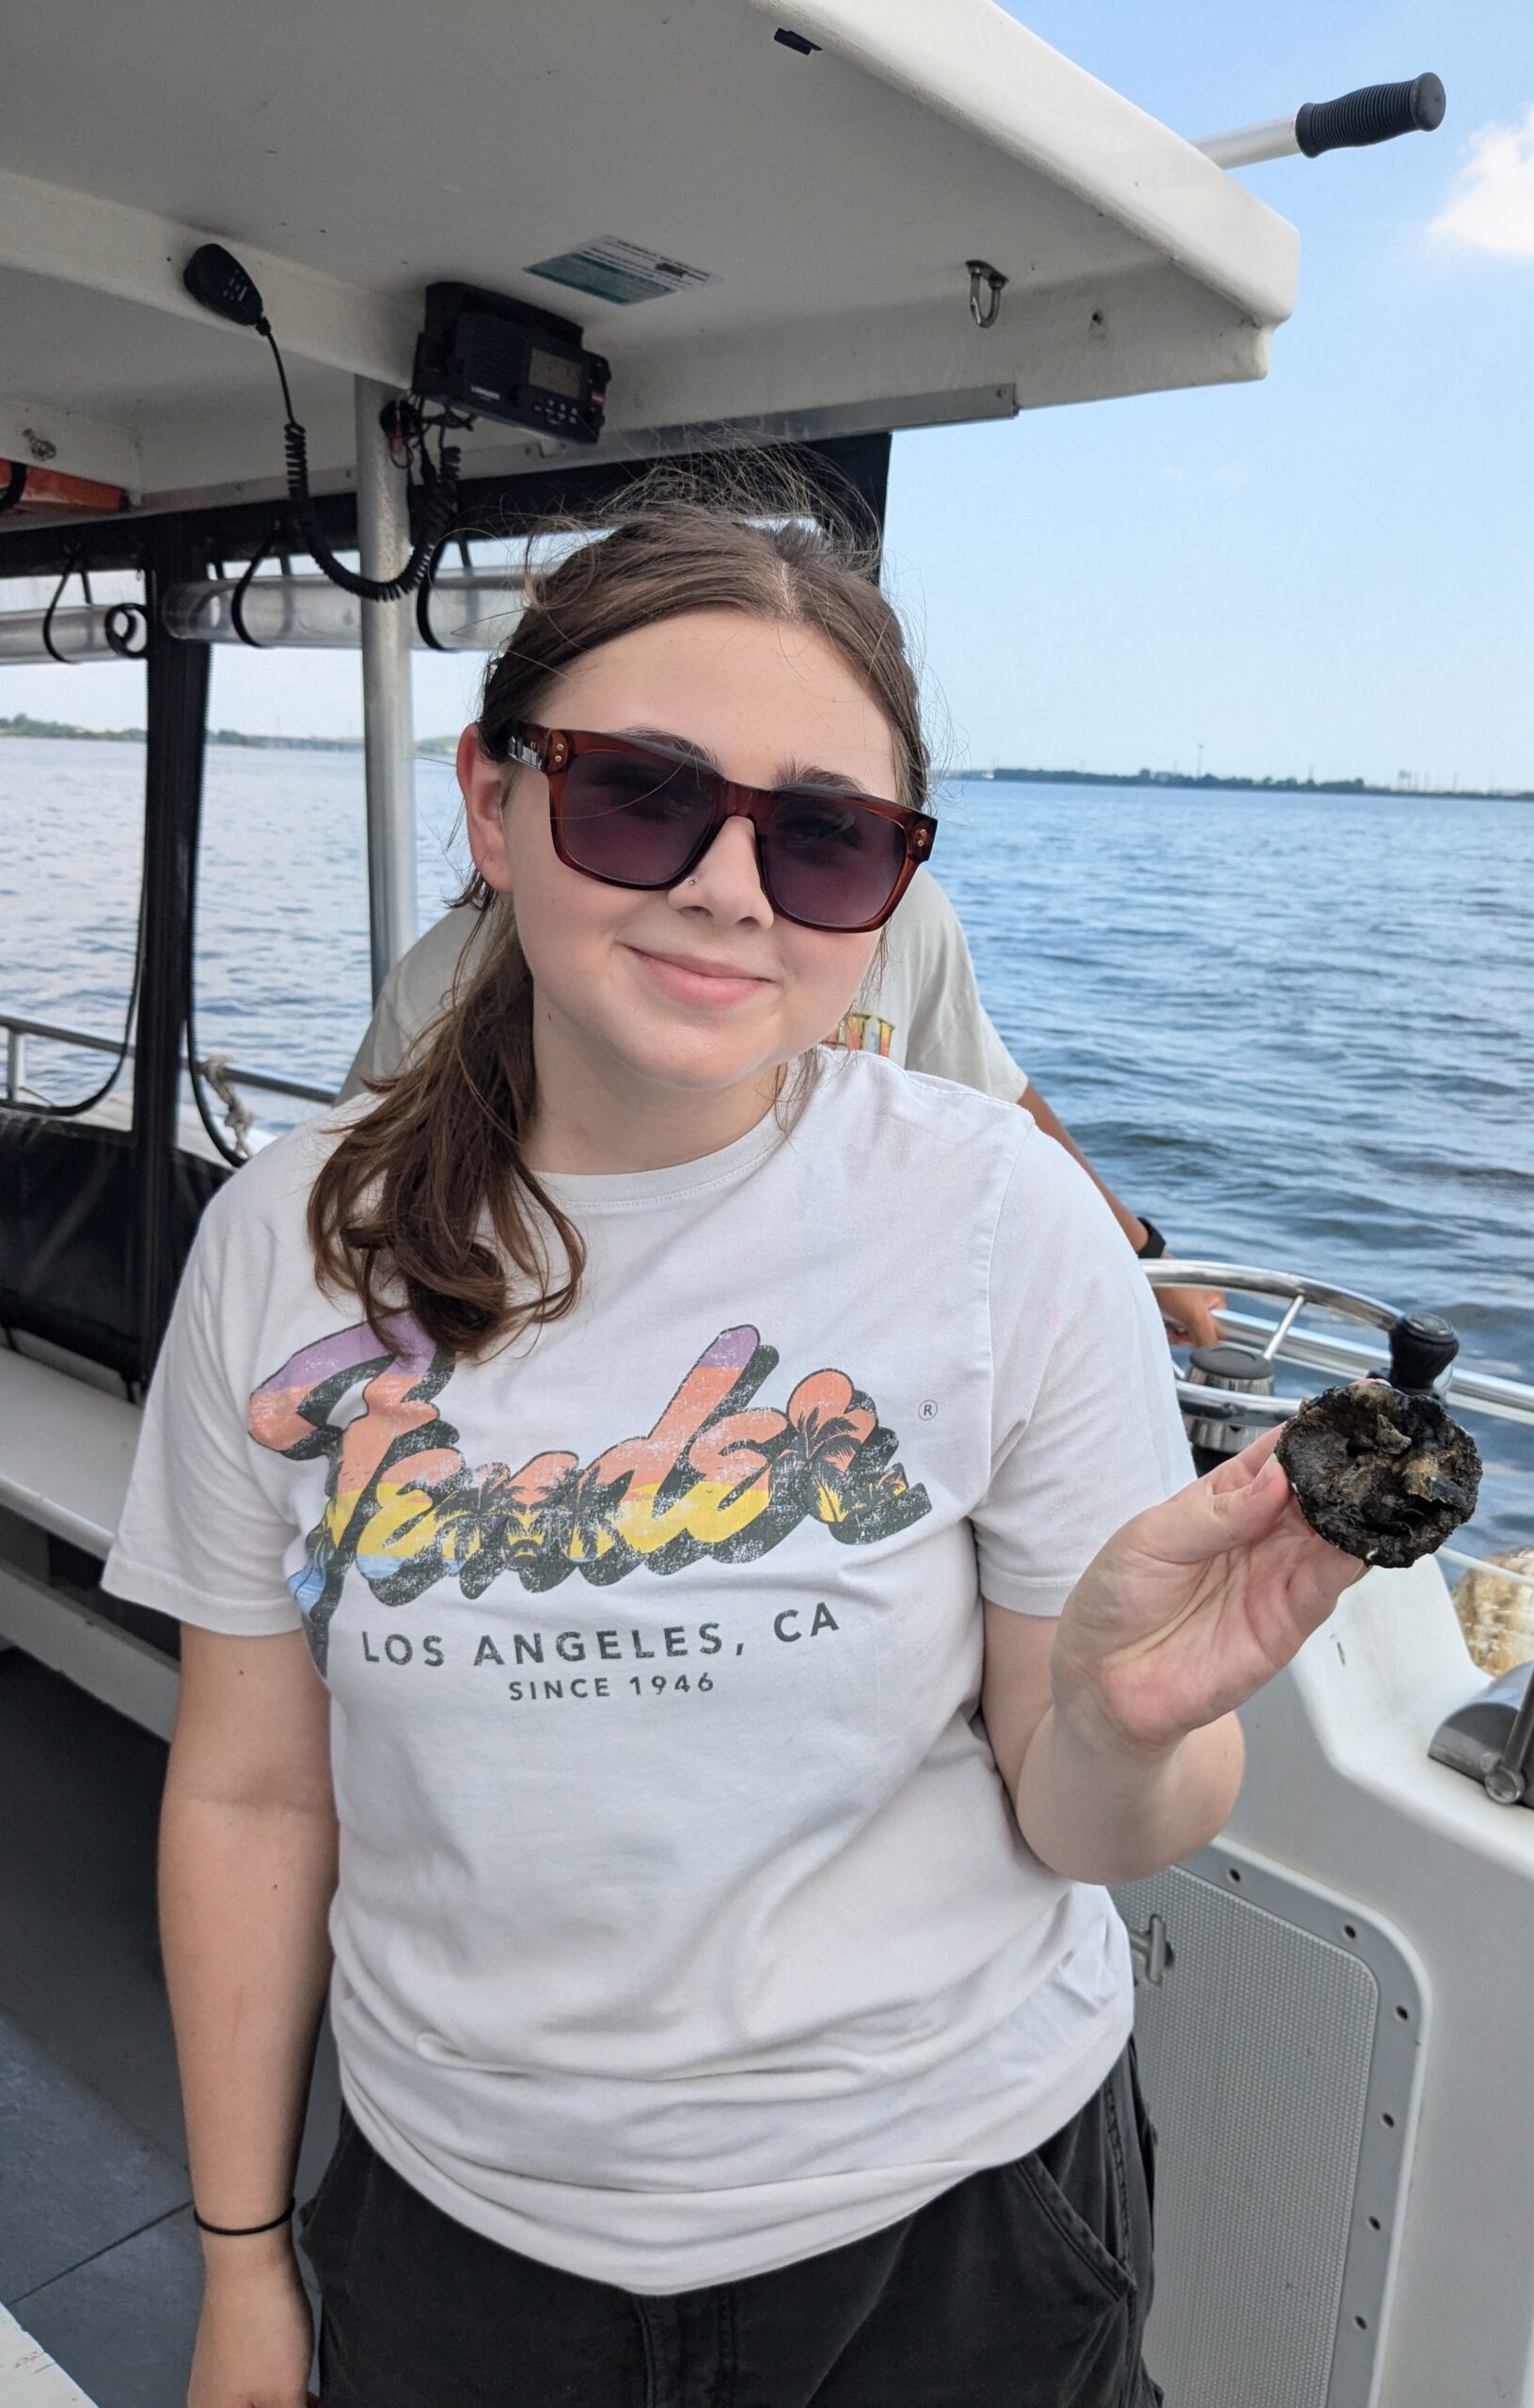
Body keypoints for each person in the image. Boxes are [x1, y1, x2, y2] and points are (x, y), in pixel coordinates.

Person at [104, 487, 1362, 2408]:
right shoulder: (287, 1246)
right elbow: (259, 1797)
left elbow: (1089, 1820)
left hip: (958, 2225)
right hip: (459, 2234)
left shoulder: (1004, 1224)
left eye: (827, 839)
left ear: (895, 889)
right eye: (639, 795)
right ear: (496, 805)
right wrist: (242, 2259)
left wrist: (1121, 1728)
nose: (726, 886)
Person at [343, 867, 1225, 1349]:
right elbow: (359, 1221)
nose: (730, 890)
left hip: (832, 1358)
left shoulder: (897, 914)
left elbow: (993, 1099)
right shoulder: (446, 973)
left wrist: (1143, 1255)